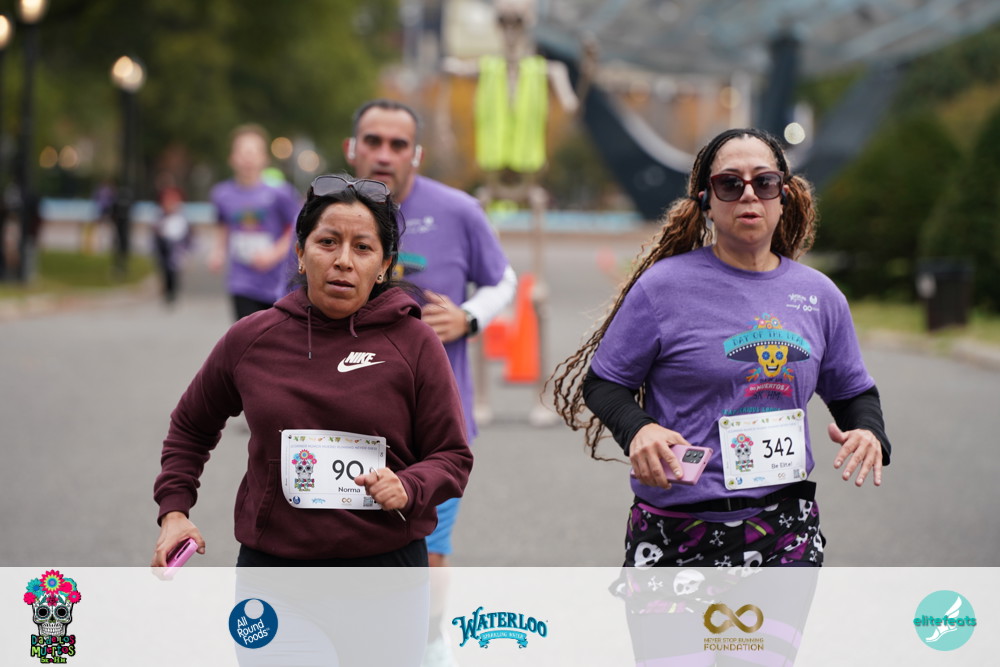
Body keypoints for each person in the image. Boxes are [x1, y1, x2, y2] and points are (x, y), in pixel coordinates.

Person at [552, 127, 891, 662]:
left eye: (764, 182)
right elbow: (604, 382)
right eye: (730, 184)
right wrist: (639, 429)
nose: (748, 194)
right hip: (676, 534)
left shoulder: (819, 296)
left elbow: (853, 391)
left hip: (782, 533)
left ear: (784, 196)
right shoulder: (663, 288)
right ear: (706, 200)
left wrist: (869, 431)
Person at [344, 98, 516, 665]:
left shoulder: (458, 210)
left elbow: (504, 280)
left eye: (398, 144)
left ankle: (425, 645)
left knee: (429, 552)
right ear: (352, 148)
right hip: (345, 427)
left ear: (415, 154)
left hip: (434, 430)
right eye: (373, 141)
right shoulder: (327, 214)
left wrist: (470, 317)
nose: (384, 154)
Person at [208, 124, 301, 320]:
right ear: (232, 158)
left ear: (264, 158)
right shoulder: (222, 194)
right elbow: (224, 225)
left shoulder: (280, 193)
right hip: (241, 281)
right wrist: (218, 252)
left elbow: (295, 227)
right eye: (242, 152)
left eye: (253, 152)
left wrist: (274, 253)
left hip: (275, 283)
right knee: (247, 333)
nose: (248, 158)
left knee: (273, 335)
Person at [151, 186, 192, 306]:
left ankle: (172, 291)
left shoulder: (180, 215)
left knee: (174, 270)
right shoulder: (160, 215)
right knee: (164, 269)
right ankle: (167, 290)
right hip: (163, 244)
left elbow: (186, 232)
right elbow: (155, 229)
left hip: (176, 246)